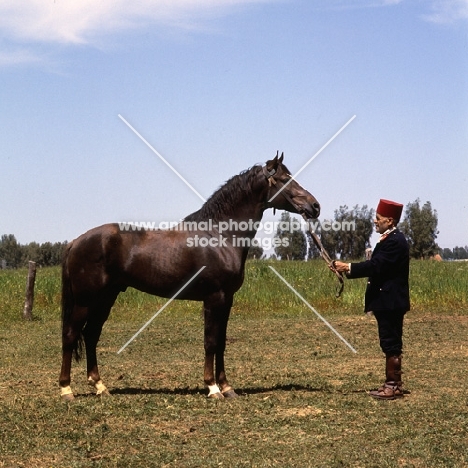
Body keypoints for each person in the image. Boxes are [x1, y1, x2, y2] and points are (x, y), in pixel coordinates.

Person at [333, 199, 410, 400]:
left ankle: (392, 386)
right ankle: (394, 384)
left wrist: (347, 267)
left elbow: (376, 266)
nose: (375, 222)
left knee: (390, 342)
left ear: (390, 221)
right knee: (389, 342)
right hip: (389, 300)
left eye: (378, 218)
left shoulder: (394, 241)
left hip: (390, 302)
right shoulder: (390, 239)